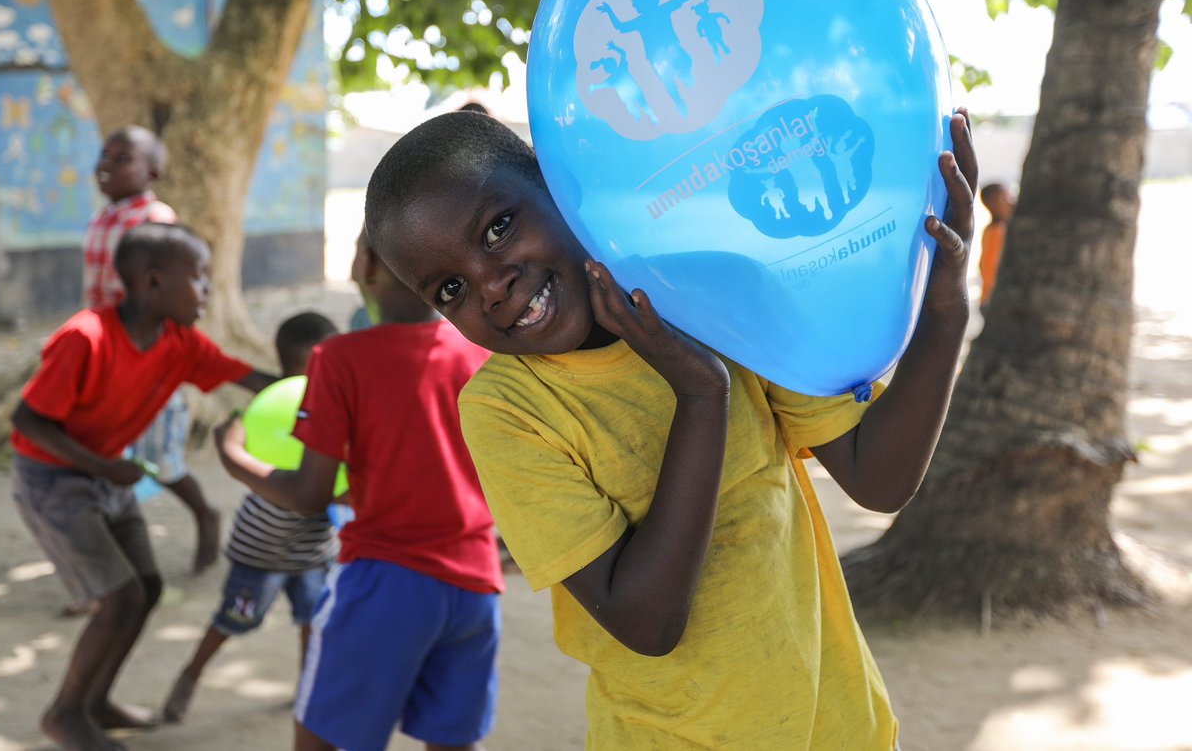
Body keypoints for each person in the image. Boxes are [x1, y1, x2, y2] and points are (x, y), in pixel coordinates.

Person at [362, 109, 978, 749]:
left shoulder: (710, 293)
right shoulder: (509, 410)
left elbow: (878, 478)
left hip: (843, 728)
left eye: (497, 229)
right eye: (451, 288)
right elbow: (646, 622)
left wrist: (946, 305)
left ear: (556, 183)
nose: (491, 286)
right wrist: (701, 393)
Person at [214, 240, 502, 751]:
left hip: (384, 582)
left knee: (323, 738)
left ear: (365, 263)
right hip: (475, 584)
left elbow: (308, 494)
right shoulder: (478, 351)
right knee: (454, 741)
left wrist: (234, 456)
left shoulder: (340, 358)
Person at [9, 222, 278, 751]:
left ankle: (94, 701)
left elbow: (253, 381)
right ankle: (64, 714)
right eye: (199, 278)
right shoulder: (86, 337)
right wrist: (104, 467)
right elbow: (29, 421)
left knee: (146, 589)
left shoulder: (181, 343)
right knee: (119, 595)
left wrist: (329, 382)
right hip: (54, 479)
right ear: (153, 283)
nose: (208, 290)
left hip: (106, 473)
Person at [162, 311, 341, 725]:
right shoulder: (270, 411)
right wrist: (232, 444)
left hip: (315, 550)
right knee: (233, 617)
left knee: (313, 621)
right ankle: (191, 673)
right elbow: (244, 444)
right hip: (261, 550)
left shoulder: (338, 408)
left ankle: (308, 684)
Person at [84, 124, 222, 577]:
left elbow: (172, 297)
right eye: (104, 155)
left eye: (122, 158)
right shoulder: (104, 217)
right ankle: (106, 567)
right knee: (103, 458)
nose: (106, 164)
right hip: (106, 356)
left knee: (162, 463)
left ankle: (205, 513)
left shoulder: (156, 220)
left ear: (154, 170)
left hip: (149, 361)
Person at [979, 181, 1016, 312]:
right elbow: (991, 269)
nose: (1011, 202)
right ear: (992, 206)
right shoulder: (997, 232)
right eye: (1004, 199)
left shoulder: (995, 230)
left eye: (1010, 196)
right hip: (994, 301)